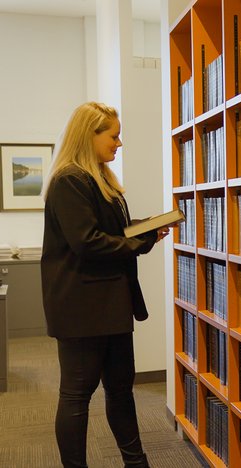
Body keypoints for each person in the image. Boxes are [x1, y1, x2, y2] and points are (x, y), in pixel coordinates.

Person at [41, 102, 169, 468]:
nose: (119, 143)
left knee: (120, 390)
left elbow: (110, 233)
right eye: (113, 135)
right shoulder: (69, 181)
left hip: (111, 303)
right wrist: (140, 243)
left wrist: (145, 228)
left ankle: (136, 462)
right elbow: (88, 242)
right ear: (89, 135)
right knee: (77, 395)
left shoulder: (100, 180)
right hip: (81, 308)